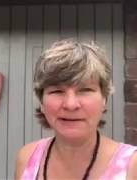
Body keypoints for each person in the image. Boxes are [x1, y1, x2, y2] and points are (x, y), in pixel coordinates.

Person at [15, 39, 137, 180]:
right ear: (41, 101)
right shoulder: (27, 157)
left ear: (104, 99)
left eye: (85, 90)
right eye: (57, 91)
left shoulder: (132, 166)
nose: (71, 104)